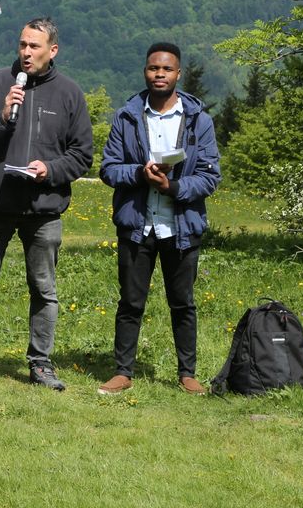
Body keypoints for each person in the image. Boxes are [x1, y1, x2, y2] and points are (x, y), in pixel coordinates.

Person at [0, 17, 93, 391]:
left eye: (34, 46)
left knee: (43, 288)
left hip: (43, 208)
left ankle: (41, 363)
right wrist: (0, 119)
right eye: (22, 45)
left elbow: (82, 155)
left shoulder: (69, 94)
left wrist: (51, 168)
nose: (26, 52)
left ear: (52, 50)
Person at [97, 42, 220, 396]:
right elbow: (109, 169)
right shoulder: (127, 116)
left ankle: (187, 373)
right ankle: (123, 371)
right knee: (130, 302)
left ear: (178, 74)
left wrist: (173, 186)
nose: (160, 74)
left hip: (181, 227)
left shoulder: (199, 120)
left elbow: (210, 176)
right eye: (154, 68)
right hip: (138, 224)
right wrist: (139, 173)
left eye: (167, 69)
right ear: (145, 72)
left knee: (182, 303)